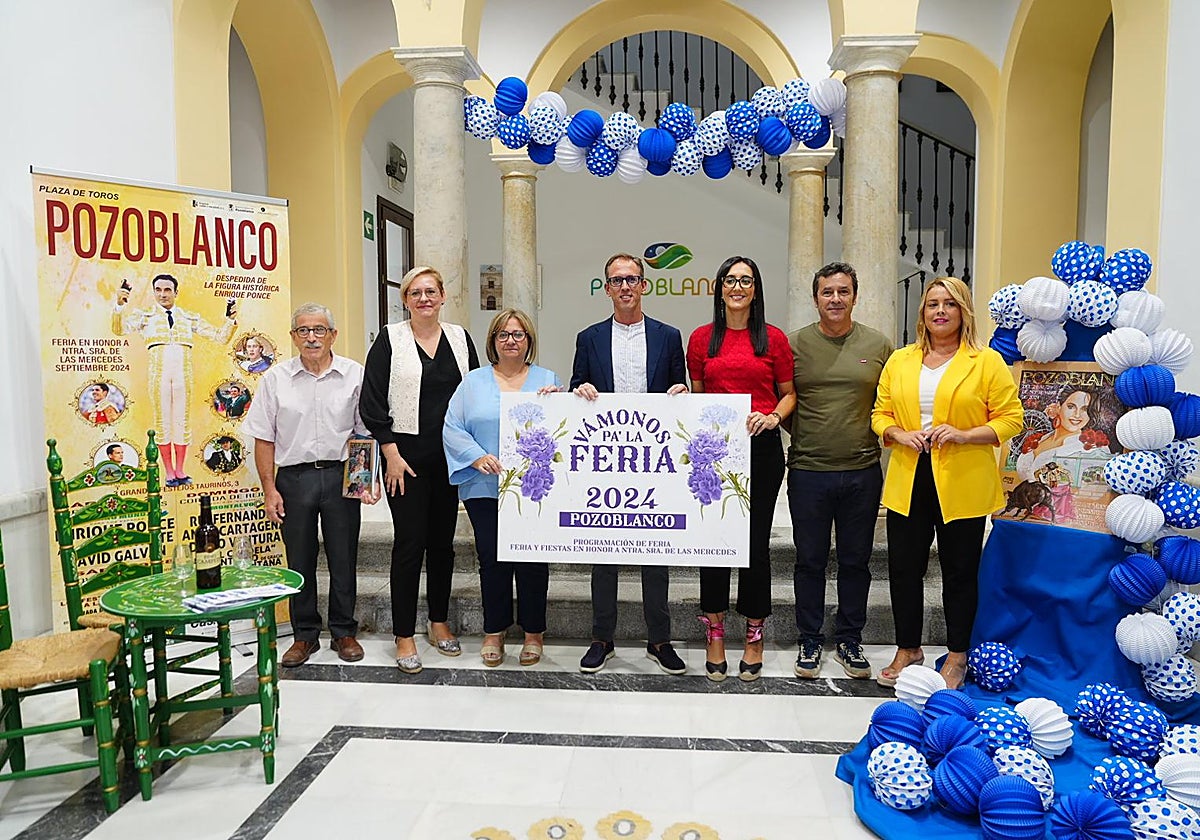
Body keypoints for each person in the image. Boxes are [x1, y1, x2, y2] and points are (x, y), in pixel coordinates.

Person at [871, 277, 1023, 689]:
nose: (940, 311)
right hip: (910, 474)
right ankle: (909, 649)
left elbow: (1012, 419)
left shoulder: (985, 361)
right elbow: (879, 415)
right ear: (922, 312)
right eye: (932, 304)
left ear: (963, 312)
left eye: (949, 304)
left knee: (959, 572)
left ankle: (957, 655)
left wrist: (963, 434)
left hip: (963, 478)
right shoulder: (901, 360)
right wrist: (898, 434)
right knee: (904, 570)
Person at [571, 252, 689, 675]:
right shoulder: (588, 338)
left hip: (653, 460)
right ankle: (602, 637)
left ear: (644, 285)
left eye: (632, 279)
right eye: (617, 280)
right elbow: (575, 387)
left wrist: (681, 392)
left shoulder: (668, 335)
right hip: (607, 461)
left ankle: (659, 639)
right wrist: (580, 389)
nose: (625, 287)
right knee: (603, 553)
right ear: (606, 288)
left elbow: (681, 387)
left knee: (656, 553)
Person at [360, 266, 479, 674]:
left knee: (443, 544)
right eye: (415, 292)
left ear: (443, 296)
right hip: (405, 458)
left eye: (431, 291)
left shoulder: (461, 338)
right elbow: (372, 402)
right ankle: (404, 634)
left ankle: (439, 621)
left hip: (450, 457)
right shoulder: (389, 339)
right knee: (409, 543)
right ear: (405, 299)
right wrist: (389, 452)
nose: (424, 298)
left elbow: (475, 394)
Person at [243, 303, 374, 667]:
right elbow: (263, 439)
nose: (311, 337)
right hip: (294, 479)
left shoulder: (354, 375)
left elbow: (363, 431)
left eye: (319, 330)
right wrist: (269, 489)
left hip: (341, 474)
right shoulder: (275, 379)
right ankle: (304, 635)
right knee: (298, 558)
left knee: (343, 556)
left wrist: (363, 481)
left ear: (333, 334)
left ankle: (344, 631)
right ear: (293, 337)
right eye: (303, 330)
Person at [686, 256, 795, 682]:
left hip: (762, 450)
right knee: (713, 541)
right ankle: (714, 630)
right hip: (713, 454)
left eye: (745, 280)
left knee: (754, 544)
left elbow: (789, 395)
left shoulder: (773, 339)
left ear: (755, 289)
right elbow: (697, 397)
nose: (737, 287)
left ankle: (753, 632)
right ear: (720, 288)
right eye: (730, 280)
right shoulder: (700, 339)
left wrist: (772, 417)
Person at [788, 262, 894, 681]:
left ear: (855, 296)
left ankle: (850, 638)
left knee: (856, 560)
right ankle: (809, 638)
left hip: (863, 470)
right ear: (815, 298)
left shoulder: (879, 344)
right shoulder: (794, 345)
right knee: (809, 560)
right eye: (827, 292)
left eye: (843, 292)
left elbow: (891, 401)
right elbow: (783, 401)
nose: (835, 299)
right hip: (808, 469)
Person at [443, 309, 561, 667]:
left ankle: (533, 633)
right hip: (485, 486)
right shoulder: (473, 382)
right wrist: (476, 456)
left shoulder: (547, 379)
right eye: (503, 335)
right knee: (492, 559)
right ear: (493, 341)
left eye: (519, 334)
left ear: (529, 341)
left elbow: (563, 430)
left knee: (532, 560)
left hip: (533, 488)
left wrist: (560, 402)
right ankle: (494, 630)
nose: (511, 340)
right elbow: (452, 425)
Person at [113, 274, 236, 487]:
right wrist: (119, 306)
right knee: (163, 422)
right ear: (153, 292)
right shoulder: (145, 316)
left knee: (181, 421)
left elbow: (219, 337)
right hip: (158, 375)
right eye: (158, 290)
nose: (163, 294)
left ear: (176, 292)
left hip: (183, 376)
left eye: (167, 290)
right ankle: (169, 471)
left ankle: (180, 469)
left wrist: (230, 319)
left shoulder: (189, 317)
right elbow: (119, 330)